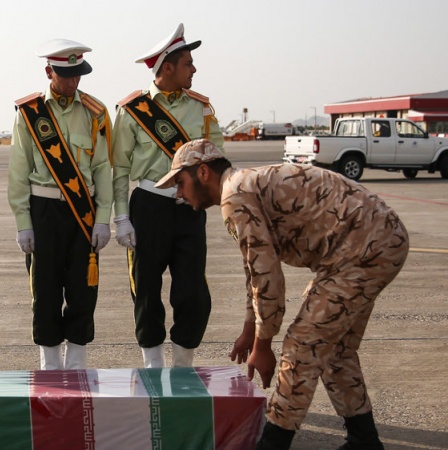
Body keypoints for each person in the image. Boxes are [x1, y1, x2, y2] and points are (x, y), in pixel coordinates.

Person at [155, 139, 409, 450]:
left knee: (303, 344)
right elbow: (256, 268)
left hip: (363, 248)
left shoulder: (235, 195)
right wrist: (251, 330)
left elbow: (268, 278)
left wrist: (264, 344)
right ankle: (364, 441)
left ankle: (273, 443)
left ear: (203, 172)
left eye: (180, 182)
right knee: (334, 348)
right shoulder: (243, 185)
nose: (179, 194)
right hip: (374, 242)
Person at [111, 22, 224, 368]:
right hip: (149, 207)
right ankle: (153, 363)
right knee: (145, 289)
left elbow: (217, 158)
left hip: (188, 209)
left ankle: (184, 363)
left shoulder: (201, 107)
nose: (194, 69)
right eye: (188, 63)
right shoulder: (133, 110)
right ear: (168, 67)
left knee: (193, 291)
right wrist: (121, 218)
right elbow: (119, 169)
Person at [8, 39, 113, 370]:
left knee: (84, 291)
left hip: (84, 214)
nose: (73, 82)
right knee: (46, 291)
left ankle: (77, 365)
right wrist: (24, 222)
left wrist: (104, 218)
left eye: (78, 75)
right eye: (66, 75)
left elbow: (102, 170)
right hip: (44, 212)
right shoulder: (30, 113)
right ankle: (50, 367)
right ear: (49, 71)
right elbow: (18, 171)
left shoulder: (95, 113)